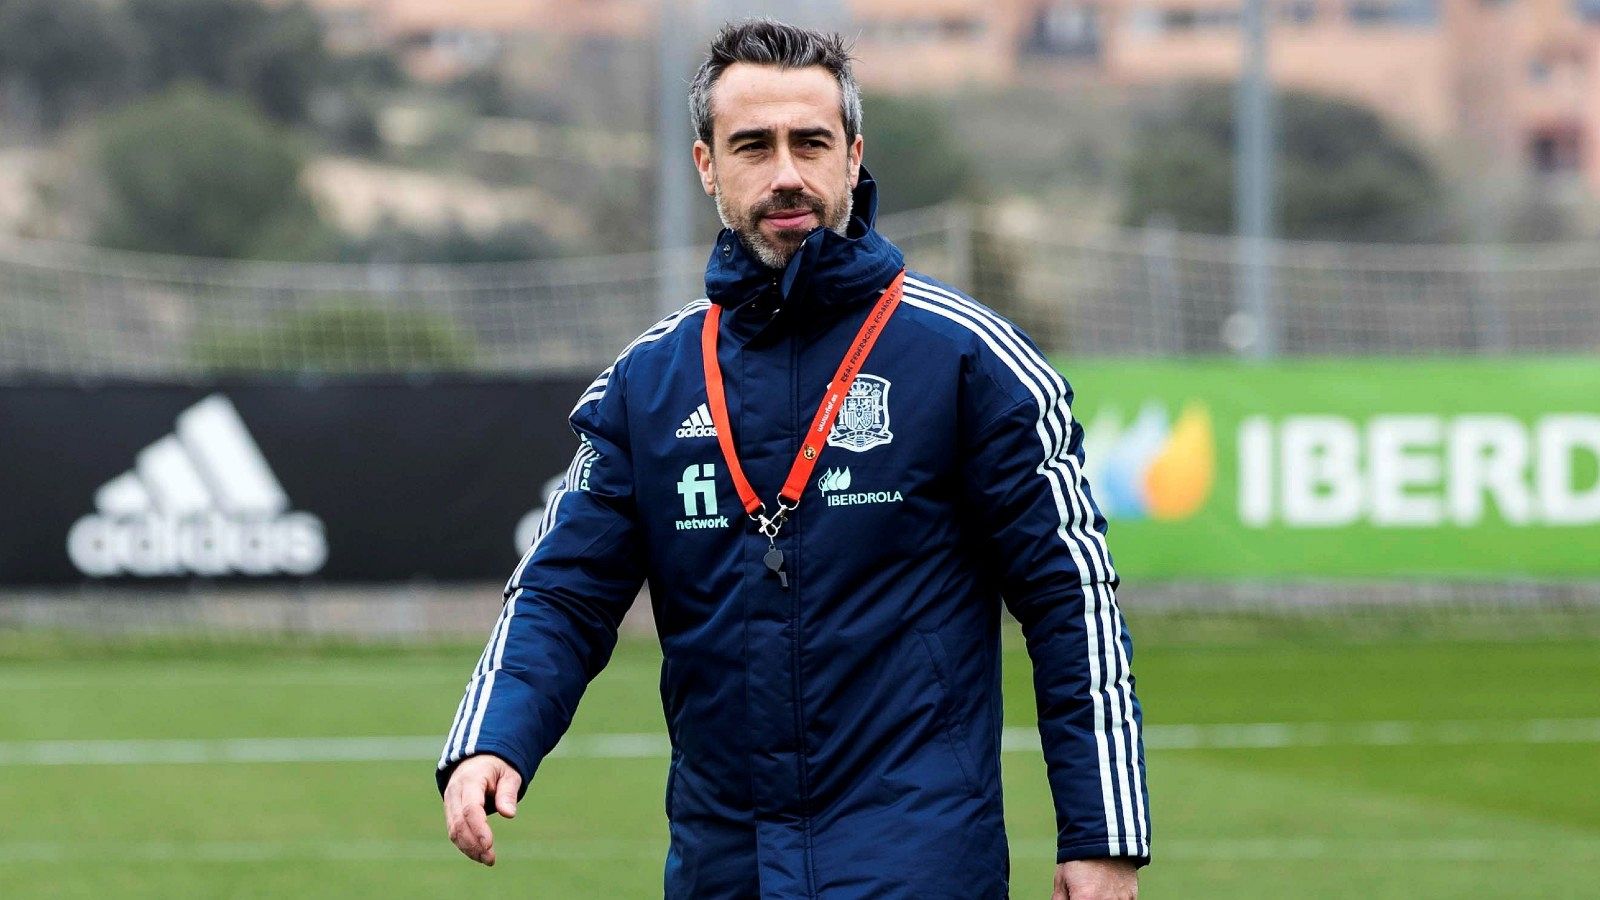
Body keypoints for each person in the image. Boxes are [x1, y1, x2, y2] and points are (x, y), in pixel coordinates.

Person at [437, 18, 1148, 900]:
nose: (785, 173)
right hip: (723, 872)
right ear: (707, 166)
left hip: (919, 867)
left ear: (853, 157)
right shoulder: (649, 383)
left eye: (810, 143)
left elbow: (1071, 599)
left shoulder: (971, 361)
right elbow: (562, 592)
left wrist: (1103, 832)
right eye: (752, 145)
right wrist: (493, 736)